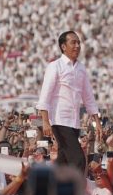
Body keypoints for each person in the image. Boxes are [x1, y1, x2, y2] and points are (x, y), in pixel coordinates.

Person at [36, 31, 102, 172]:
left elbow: (88, 96)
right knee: (78, 160)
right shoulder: (55, 66)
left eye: (79, 42)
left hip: (74, 122)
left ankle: (50, 187)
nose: (77, 46)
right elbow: (45, 95)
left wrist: (97, 123)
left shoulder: (81, 68)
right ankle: (74, 192)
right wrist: (45, 121)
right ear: (63, 46)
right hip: (59, 120)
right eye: (73, 42)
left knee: (63, 160)